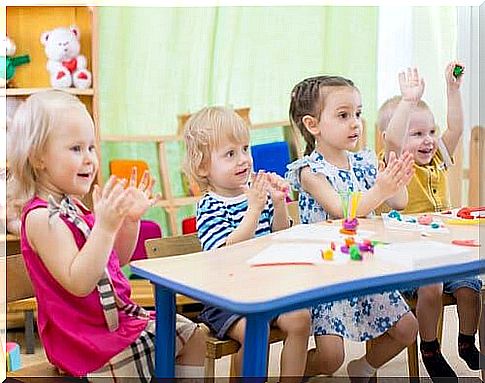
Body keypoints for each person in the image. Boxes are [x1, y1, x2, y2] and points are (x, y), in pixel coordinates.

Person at [6, 90, 207, 381]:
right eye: (76, 149)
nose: (89, 159)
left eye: (90, 147)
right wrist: (105, 226)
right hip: (82, 341)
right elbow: (79, 281)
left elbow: (115, 260)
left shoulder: (73, 207)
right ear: (39, 158)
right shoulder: (42, 217)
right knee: (164, 345)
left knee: (192, 335)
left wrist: (129, 222)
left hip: (113, 324)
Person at [285, 75, 418, 382]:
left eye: (357, 113)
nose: (355, 122)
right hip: (327, 276)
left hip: (364, 267)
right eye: (343, 115)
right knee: (331, 358)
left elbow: (399, 202)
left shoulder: (364, 162)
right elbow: (341, 210)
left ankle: (364, 369)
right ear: (313, 125)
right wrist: (380, 190)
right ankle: (290, 374)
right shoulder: (309, 171)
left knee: (408, 329)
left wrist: (395, 181)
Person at [183, 106, 311, 382]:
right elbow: (225, 252)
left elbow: (278, 233)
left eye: (245, 149)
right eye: (230, 154)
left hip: (266, 288)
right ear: (204, 166)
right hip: (226, 297)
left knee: (300, 319)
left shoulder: (255, 191)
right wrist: (254, 209)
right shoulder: (209, 206)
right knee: (257, 332)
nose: (243, 160)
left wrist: (278, 203)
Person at [377, 64, 481, 380]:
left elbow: (456, 128)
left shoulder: (437, 158)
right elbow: (393, 141)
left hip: (444, 253)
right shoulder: (393, 162)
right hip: (407, 259)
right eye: (418, 133)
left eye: (431, 132)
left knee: (470, 287)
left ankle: (465, 342)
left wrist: (452, 90)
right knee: (432, 285)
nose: (429, 140)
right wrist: (409, 101)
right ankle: (430, 348)